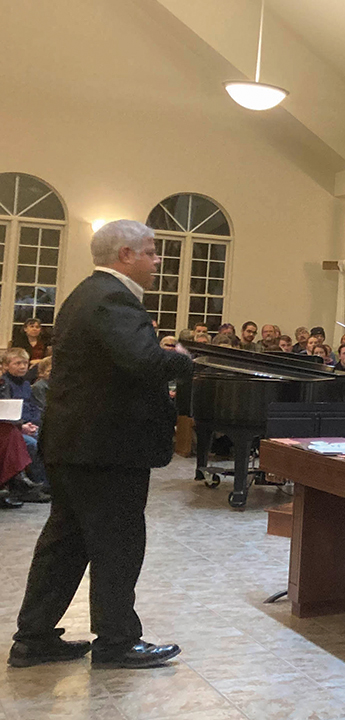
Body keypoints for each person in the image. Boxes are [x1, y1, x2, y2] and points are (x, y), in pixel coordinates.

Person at [10, 219, 192, 670]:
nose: (158, 259)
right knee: (118, 544)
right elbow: (143, 361)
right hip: (106, 448)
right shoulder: (112, 298)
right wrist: (182, 361)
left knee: (65, 544)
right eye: (151, 251)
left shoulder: (84, 294)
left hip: (78, 444)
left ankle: (34, 638)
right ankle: (117, 642)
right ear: (125, 255)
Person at [0, 348, 49, 503]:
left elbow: (34, 407)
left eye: (25, 363)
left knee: (47, 437)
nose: (22, 366)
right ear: (6, 366)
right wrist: (23, 426)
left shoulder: (27, 385)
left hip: (24, 424)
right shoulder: (4, 384)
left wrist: (33, 424)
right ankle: (36, 484)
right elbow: (6, 411)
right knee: (31, 443)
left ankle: (43, 483)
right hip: (14, 426)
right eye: (18, 363)